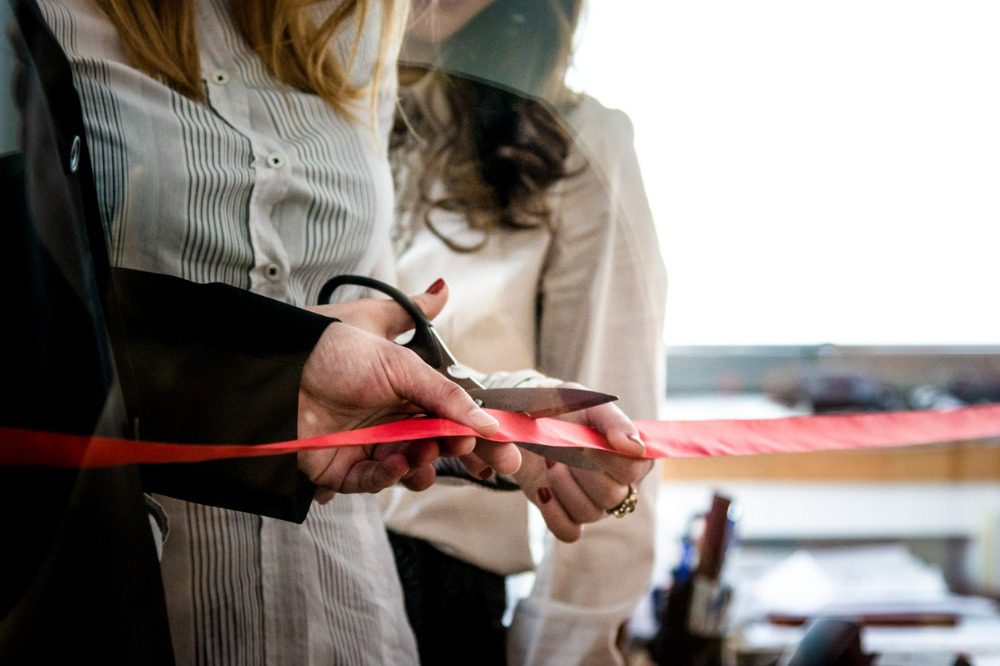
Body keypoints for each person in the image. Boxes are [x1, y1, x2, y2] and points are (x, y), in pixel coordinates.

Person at [35, 0, 649, 662]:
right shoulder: (43, 24)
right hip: (145, 609)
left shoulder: (352, 35)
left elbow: (377, 351)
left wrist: (494, 403)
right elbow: (37, 331)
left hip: (356, 610)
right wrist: (288, 372)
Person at [381, 0, 668, 663]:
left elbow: (612, 445)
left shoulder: (575, 145)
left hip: (437, 598)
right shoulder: (304, 121)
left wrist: (565, 651)